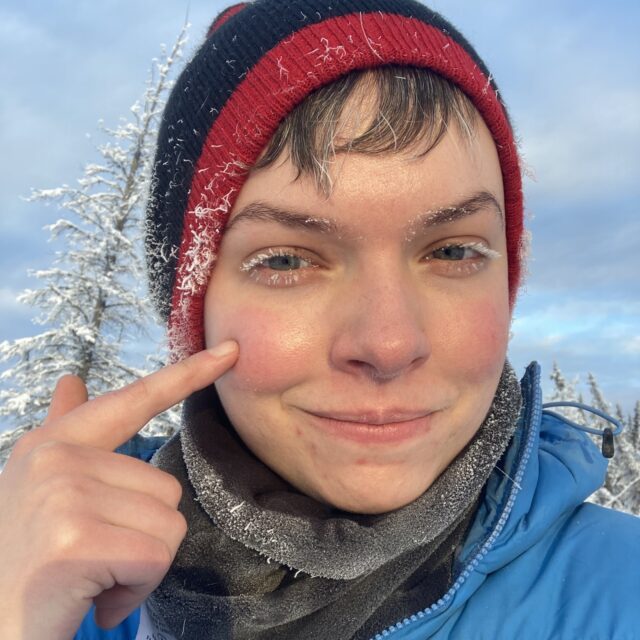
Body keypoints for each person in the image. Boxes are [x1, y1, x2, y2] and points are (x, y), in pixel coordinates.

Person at [1, 1, 638, 638]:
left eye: (453, 251)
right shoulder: (62, 594)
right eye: (285, 261)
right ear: (194, 309)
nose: (389, 344)